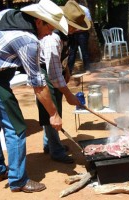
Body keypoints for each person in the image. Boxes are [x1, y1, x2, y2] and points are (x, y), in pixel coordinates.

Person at [0, 0, 69, 193]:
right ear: (39, 22)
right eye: (50, 28)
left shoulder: (7, 13)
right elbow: (38, 84)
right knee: (16, 128)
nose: (50, 33)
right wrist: (54, 114)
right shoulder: (29, 41)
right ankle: (18, 180)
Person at [37, 0, 90, 164]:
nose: (75, 30)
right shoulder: (52, 39)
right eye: (73, 26)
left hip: (55, 70)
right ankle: (56, 151)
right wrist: (69, 95)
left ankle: (50, 144)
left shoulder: (66, 34)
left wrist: (66, 70)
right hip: (45, 74)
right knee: (52, 110)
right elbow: (53, 74)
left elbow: (61, 60)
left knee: (53, 109)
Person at [67, 0, 92, 75]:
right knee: (72, 52)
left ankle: (87, 69)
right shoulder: (68, 10)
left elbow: (89, 22)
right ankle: (69, 71)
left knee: (84, 51)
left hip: (82, 33)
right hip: (72, 34)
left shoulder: (84, 9)